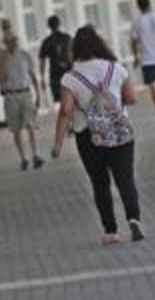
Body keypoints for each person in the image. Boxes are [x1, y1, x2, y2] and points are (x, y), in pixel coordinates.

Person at [50, 26, 144, 246]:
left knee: (100, 184)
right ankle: (134, 218)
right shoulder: (116, 68)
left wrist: (58, 143)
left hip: (88, 136)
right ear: (100, 44)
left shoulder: (70, 77)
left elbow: (65, 110)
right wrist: (110, 98)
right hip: (119, 132)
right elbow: (131, 98)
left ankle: (111, 231)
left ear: (76, 48)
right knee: (126, 180)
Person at [0, 30, 44, 171]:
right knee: (16, 129)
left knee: (30, 125)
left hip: (26, 93)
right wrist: (3, 61)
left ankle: (35, 155)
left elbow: (33, 75)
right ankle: (24, 158)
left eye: (14, 40)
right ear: (5, 43)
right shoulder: (0, 58)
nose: (13, 43)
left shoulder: (25, 55)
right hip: (10, 95)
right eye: (9, 41)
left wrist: (39, 95)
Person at [38, 15, 73, 106]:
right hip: (69, 72)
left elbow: (42, 61)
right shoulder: (67, 38)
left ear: (49, 26)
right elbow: (74, 54)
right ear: (59, 24)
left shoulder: (47, 42)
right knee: (73, 97)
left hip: (55, 75)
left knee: (62, 101)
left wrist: (42, 77)